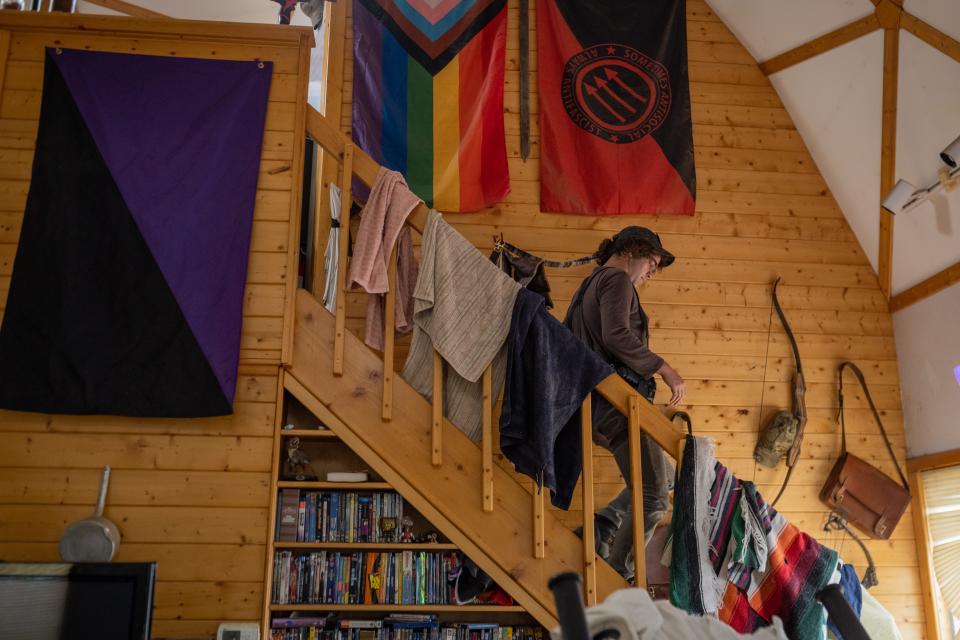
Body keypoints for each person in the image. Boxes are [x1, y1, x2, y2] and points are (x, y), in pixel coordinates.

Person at [564, 226, 686, 579]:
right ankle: (618, 575)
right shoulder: (616, 281)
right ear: (632, 250)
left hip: (598, 408)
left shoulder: (592, 283)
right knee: (654, 498)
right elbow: (616, 335)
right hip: (617, 407)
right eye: (652, 263)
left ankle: (603, 524)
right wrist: (665, 369)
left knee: (666, 478)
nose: (650, 274)